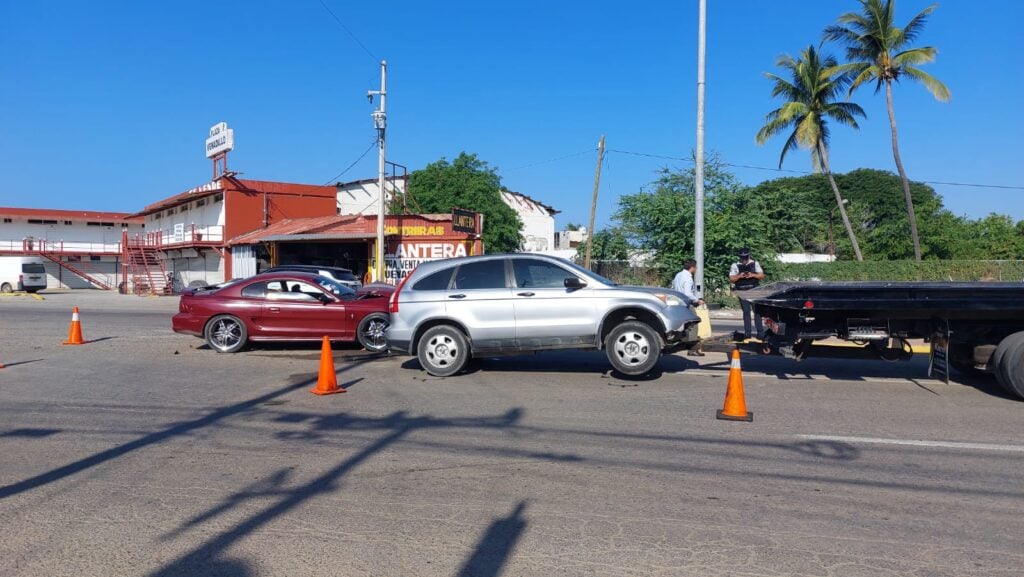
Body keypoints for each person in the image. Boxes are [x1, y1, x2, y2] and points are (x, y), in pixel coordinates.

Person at [728, 247, 765, 340]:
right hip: (742, 290)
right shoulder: (735, 265)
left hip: (754, 289)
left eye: (745, 257)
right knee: (746, 312)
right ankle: (747, 332)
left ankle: (760, 332)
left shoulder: (754, 263)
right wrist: (739, 276)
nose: (744, 259)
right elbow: (732, 279)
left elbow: (761, 275)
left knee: (757, 312)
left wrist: (752, 275)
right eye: (742, 257)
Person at [672, 258, 705, 356]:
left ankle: (682, 342)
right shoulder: (688, 278)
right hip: (686, 303)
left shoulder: (678, 275)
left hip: (678, 303)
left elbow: (674, 288)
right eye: (696, 268)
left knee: (684, 326)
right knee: (694, 323)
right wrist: (697, 300)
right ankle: (692, 349)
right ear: (692, 267)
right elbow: (687, 293)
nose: (696, 269)